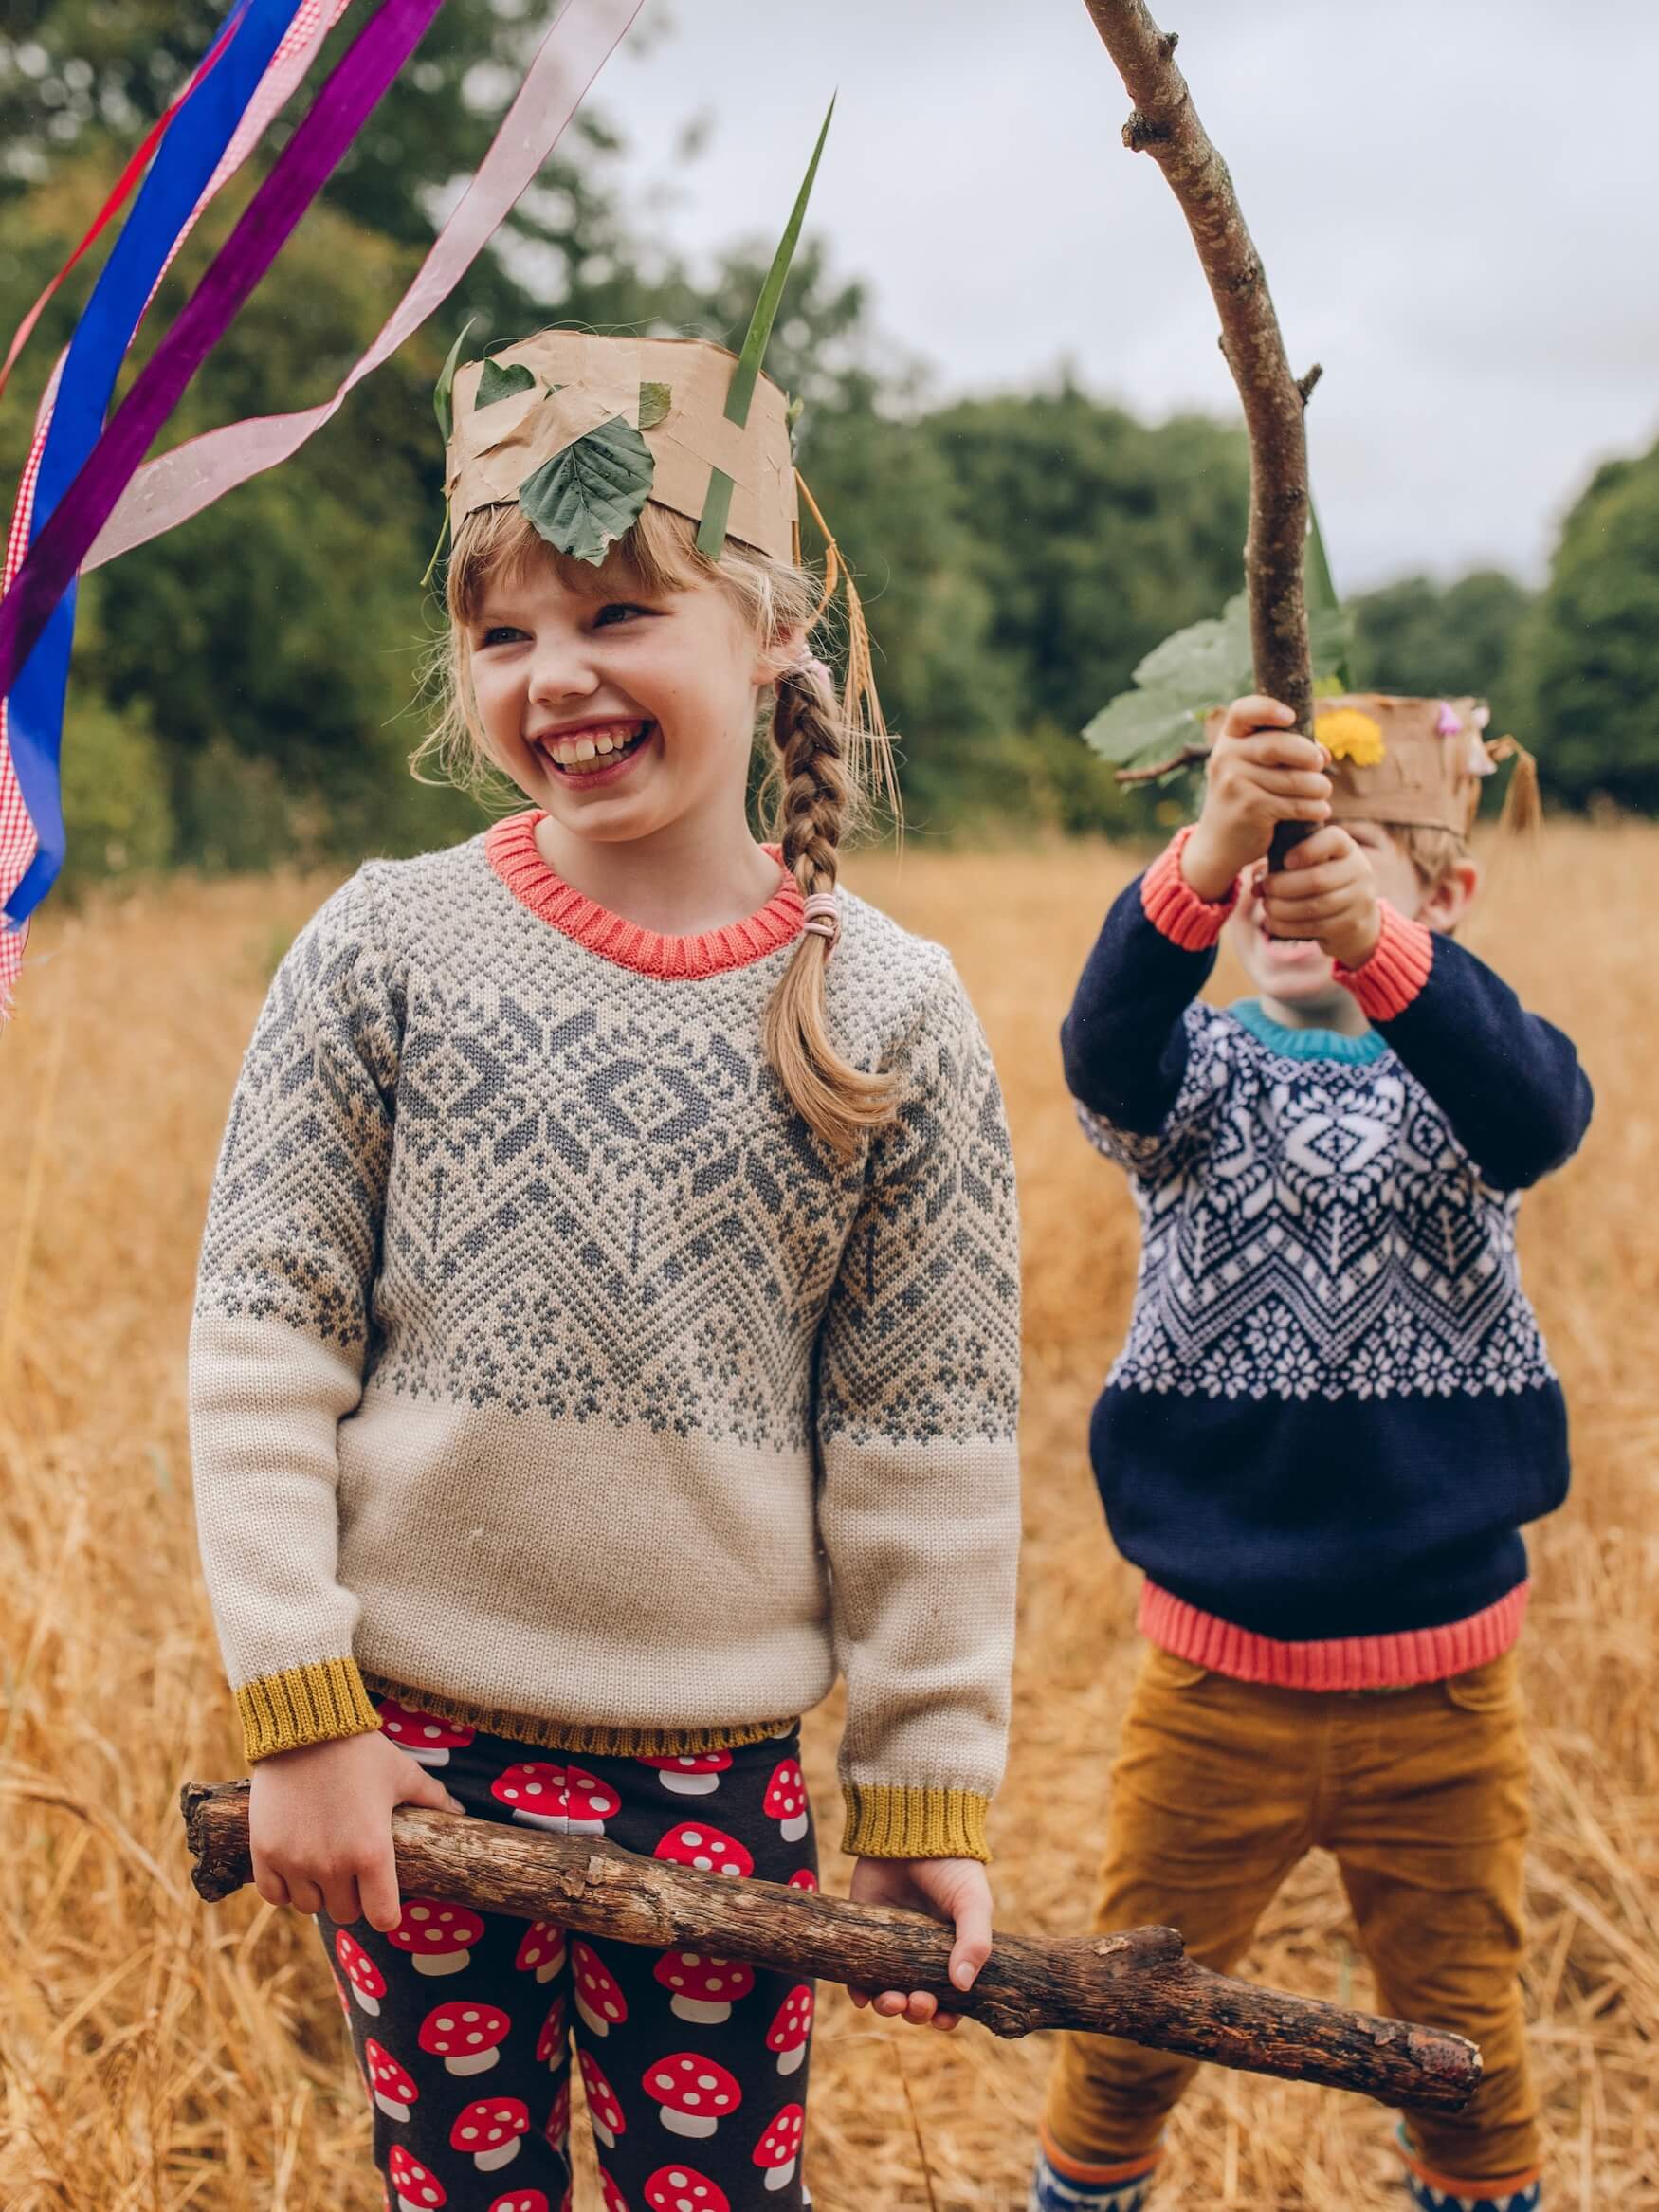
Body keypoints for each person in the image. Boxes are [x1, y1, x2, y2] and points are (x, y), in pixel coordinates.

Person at [188, 319, 1022, 2212]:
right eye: (502, 636)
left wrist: (913, 1795)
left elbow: (929, 1441)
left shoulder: (890, 1007)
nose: (555, 677)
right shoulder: (382, 947)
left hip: (723, 1784)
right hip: (410, 1769)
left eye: (618, 615)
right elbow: (261, 1351)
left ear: (766, 641)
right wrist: (302, 1721)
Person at [1029, 692, 1590, 2212]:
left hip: (1443, 1702)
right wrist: (1201, 855)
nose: (1295, 882)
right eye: (1271, 857)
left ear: (1448, 892)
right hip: (1215, 1692)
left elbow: (1538, 1110)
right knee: (1128, 2024)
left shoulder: (1466, 1080)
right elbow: (1102, 1044)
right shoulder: (1193, 1082)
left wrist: (1383, 952)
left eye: (1343, 856)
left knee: (1461, 2044)